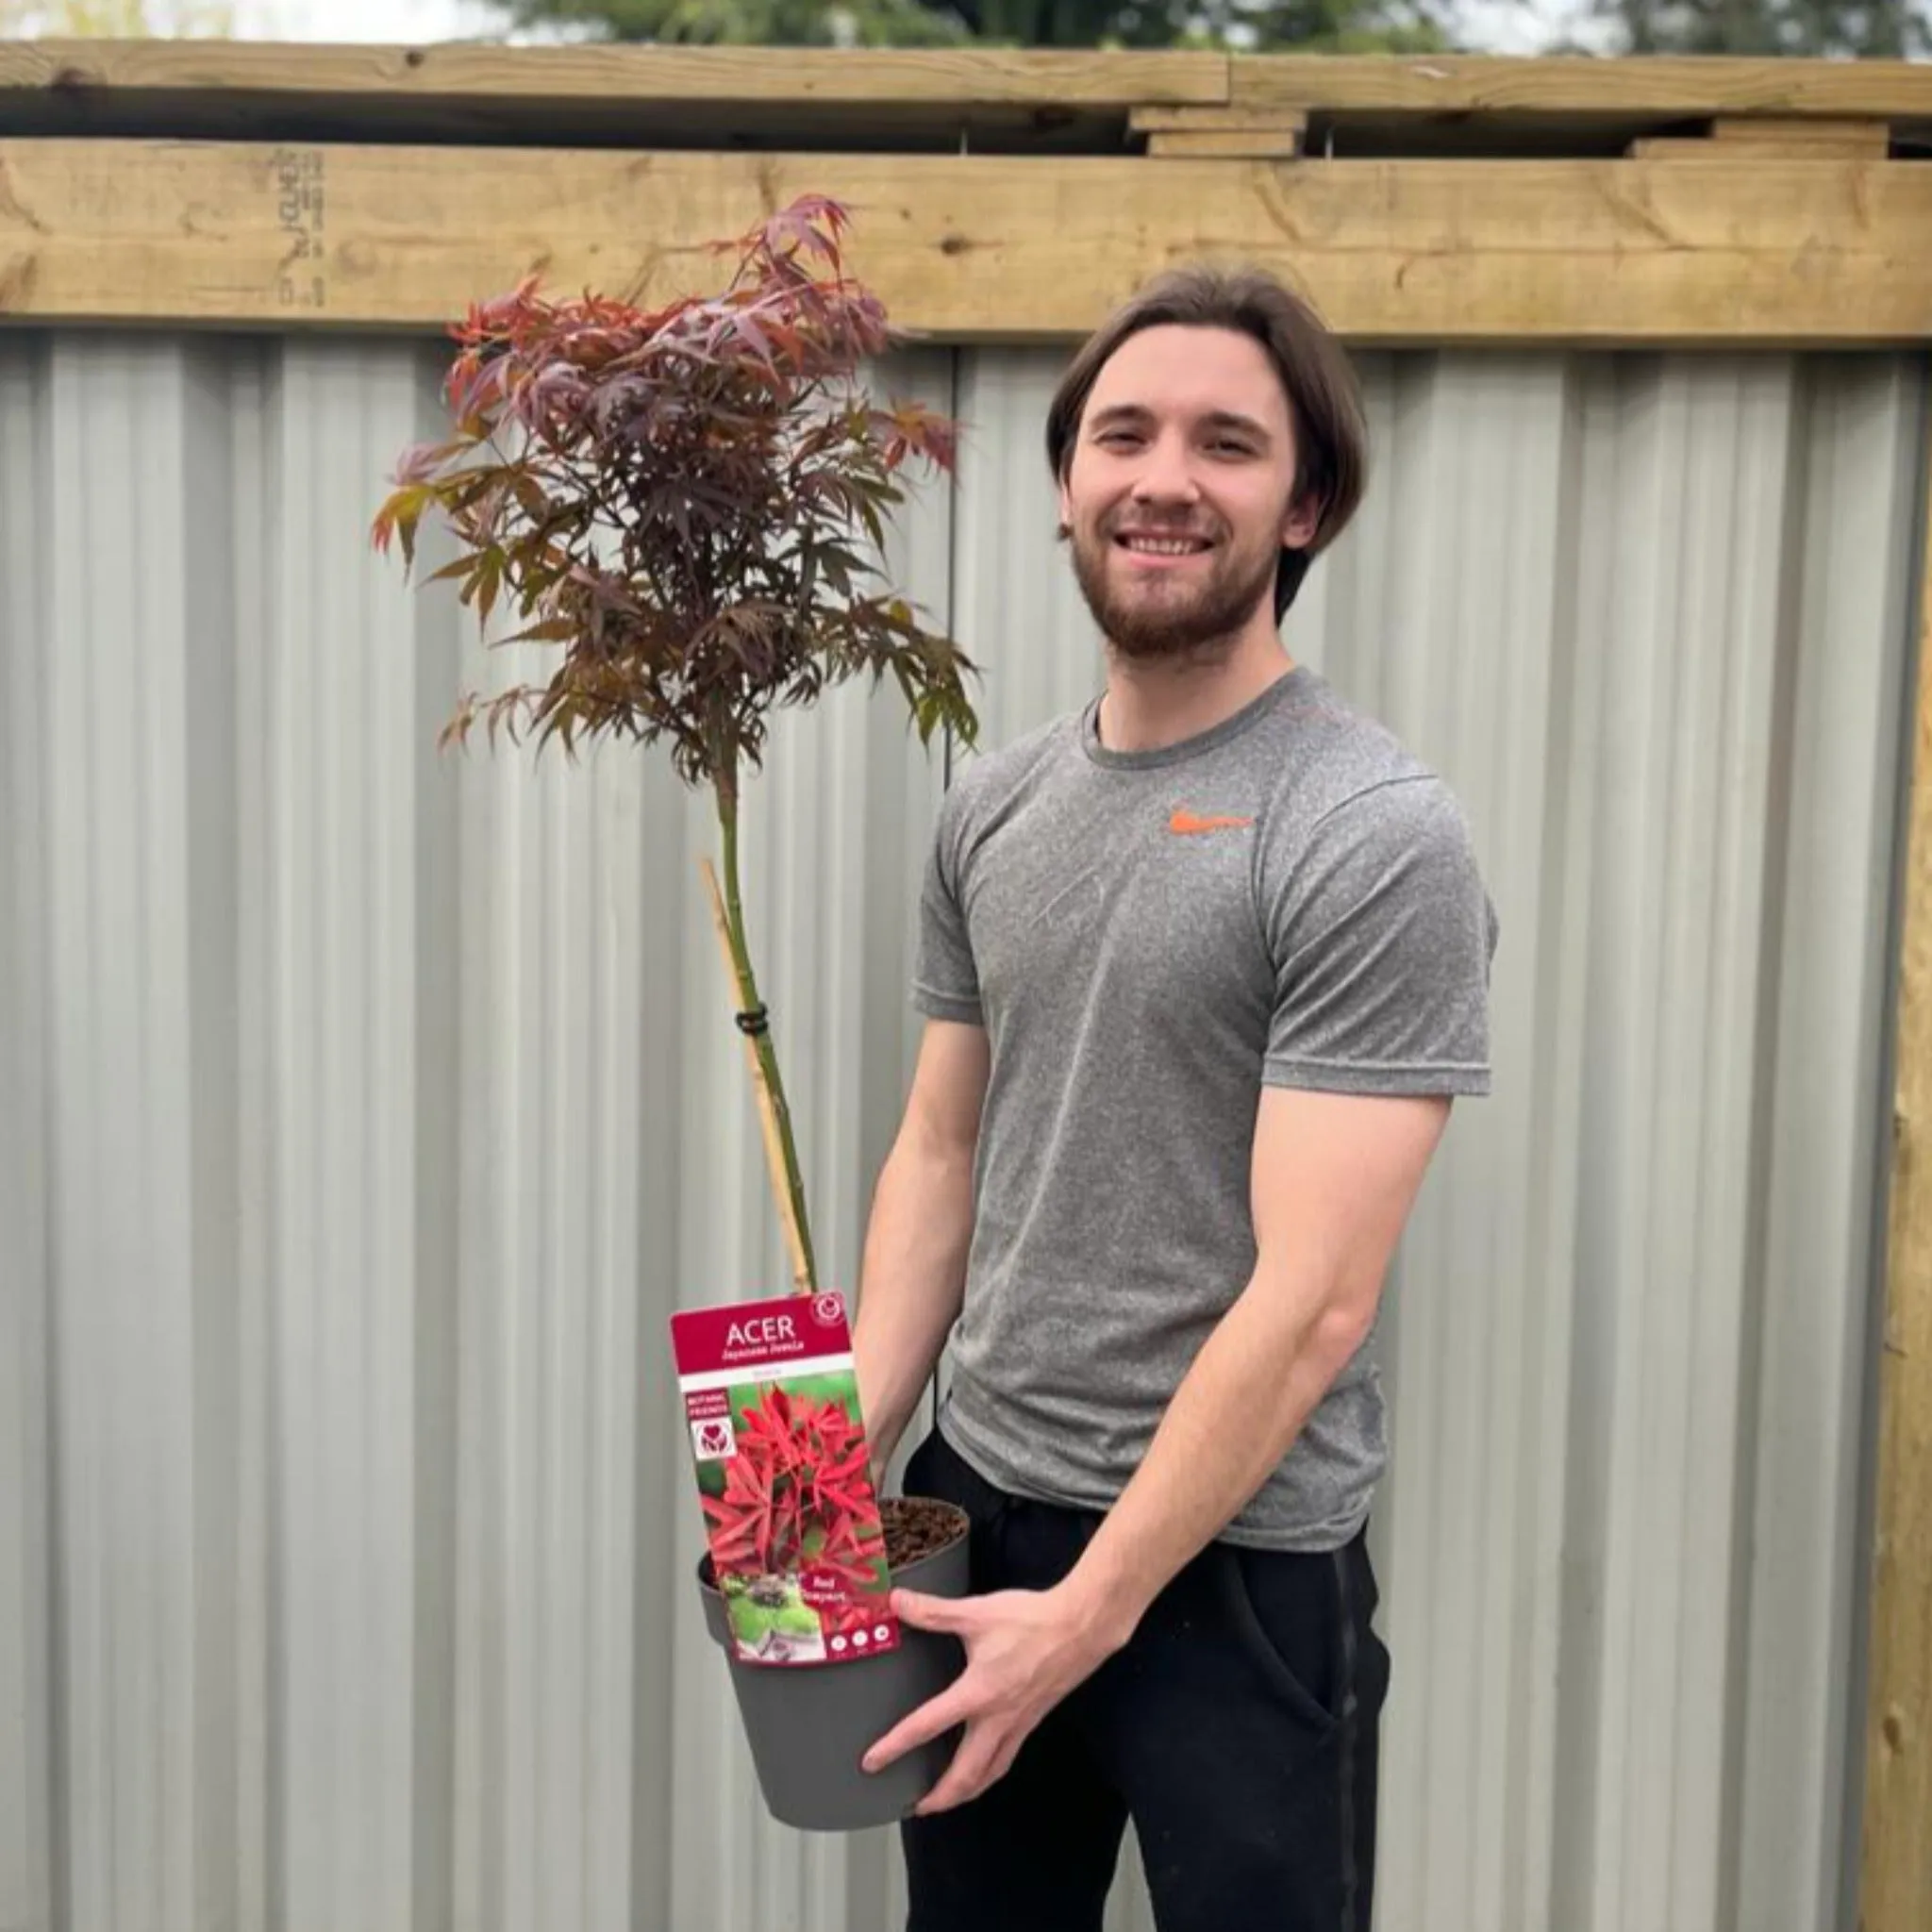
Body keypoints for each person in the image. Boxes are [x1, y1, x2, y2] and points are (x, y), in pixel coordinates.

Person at [850, 263, 1498, 1932]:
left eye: (1227, 443)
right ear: (1070, 482)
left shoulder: (1367, 828)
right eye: (1122, 434)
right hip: (976, 1512)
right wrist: (839, 1451)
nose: (1163, 479)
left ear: (1308, 502)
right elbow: (939, 1149)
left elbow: (1316, 1298)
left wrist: (1092, 1610)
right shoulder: (993, 807)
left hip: (1236, 1573)